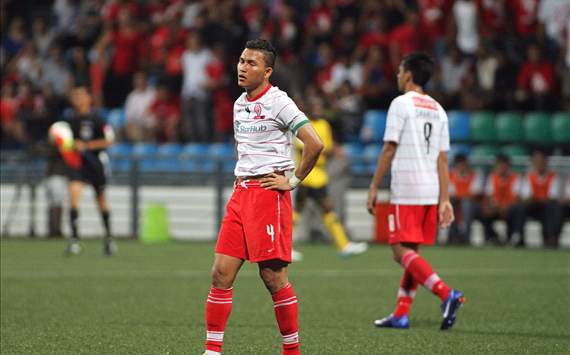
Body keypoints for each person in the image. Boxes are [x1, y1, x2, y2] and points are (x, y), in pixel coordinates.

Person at [203, 39, 323, 355]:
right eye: (241, 60)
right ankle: (212, 351)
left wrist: (293, 181)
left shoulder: (280, 102)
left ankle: (291, 350)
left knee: (272, 276)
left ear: (267, 71)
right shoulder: (239, 104)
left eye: (251, 63)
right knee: (220, 273)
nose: (243, 67)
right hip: (241, 192)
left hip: (268, 194)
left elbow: (314, 143)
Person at [366, 53, 464, 331]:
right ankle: (401, 313)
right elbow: (443, 160)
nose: (397, 75)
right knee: (412, 252)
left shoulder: (401, 104)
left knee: (399, 251)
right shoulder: (438, 109)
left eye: (399, 70)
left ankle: (446, 294)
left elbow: (389, 148)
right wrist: (444, 199)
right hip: (430, 188)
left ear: (408, 74)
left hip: (407, 186)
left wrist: (374, 185)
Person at [292, 97, 367, 260]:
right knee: (307, 211)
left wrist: (331, 149)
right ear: (310, 109)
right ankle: (343, 245)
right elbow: (309, 148)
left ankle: (344, 245)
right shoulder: (302, 125)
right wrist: (327, 150)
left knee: (316, 210)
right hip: (307, 175)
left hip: (319, 175)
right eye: (315, 107)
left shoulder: (324, 125)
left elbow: (326, 146)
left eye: (320, 107)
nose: (318, 110)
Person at [64, 83, 116, 256]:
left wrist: (87, 145)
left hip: (95, 164)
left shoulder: (98, 118)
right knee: (73, 197)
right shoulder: (70, 120)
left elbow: (109, 140)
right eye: (75, 96)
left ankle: (108, 239)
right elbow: (66, 142)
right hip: (78, 165)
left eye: (80, 95)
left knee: (100, 200)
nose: (77, 99)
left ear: (88, 98)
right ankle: (74, 240)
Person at [480, 154, 525, 246]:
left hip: (510, 207)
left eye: (504, 166)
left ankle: (514, 236)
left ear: (508, 166)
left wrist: (506, 207)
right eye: (499, 166)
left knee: (518, 209)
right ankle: (492, 237)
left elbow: (517, 197)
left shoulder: (516, 178)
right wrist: (492, 207)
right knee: (483, 212)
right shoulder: (492, 178)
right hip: (496, 208)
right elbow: (489, 196)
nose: (502, 168)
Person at [520, 150, 562, 248]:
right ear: (533, 162)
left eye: (541, 160)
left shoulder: (553, 176)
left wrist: (536, 198)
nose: (539, 163)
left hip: (548, 206)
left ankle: (551, 238)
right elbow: (526, 197)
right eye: (537, 160)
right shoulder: (529, 176)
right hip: (534, 207)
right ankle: (518, 237)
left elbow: (553, 197)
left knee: (553, 207)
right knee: (520, 208)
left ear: (546, 161)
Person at [448, 153, 484, 245]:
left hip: (474, 206)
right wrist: (463, 196)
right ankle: (453, 235)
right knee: (450, 205)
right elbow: (450, 194)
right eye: (459, 165)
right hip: (455, 204)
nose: (461, 167)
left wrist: (461, 197)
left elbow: (475, 194)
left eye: (463, 164)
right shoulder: (450, 176)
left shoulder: (476, 175)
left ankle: (466, 236)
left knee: (466, 204)